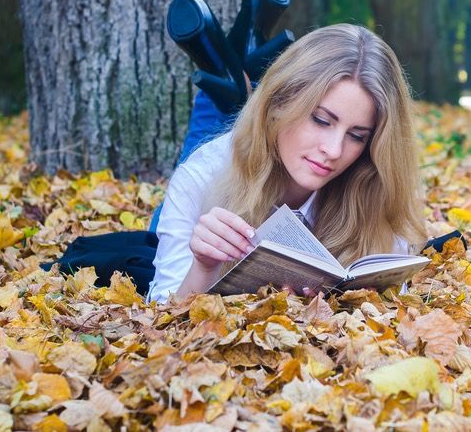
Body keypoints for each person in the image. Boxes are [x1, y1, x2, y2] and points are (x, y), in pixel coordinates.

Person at [147, 23, 428, 302]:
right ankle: (224, 72)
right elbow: (159, 319)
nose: (333, 150)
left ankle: (238, 67)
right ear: (280, 102)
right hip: (230, 160)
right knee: (207, 128)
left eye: (356, 136)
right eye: (320, 120)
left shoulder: (376, 187)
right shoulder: (200, 176)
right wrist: (204, 267)